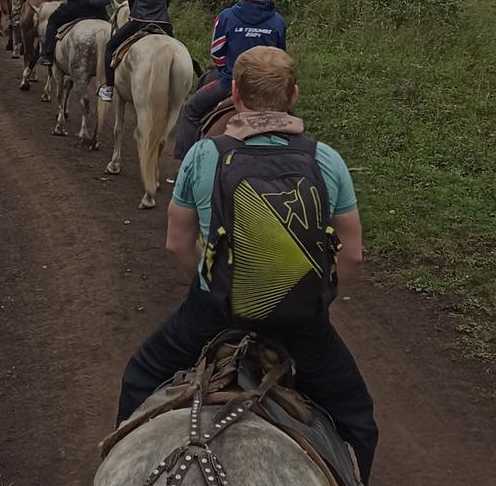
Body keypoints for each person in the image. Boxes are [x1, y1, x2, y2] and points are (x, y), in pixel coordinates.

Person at [115, 47, 377, 482]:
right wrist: (315, 301)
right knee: (358, 420)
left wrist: (210, 287)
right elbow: (352, 254)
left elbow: (176, 244)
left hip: (213, 313)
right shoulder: (325, 160)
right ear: (293, 95)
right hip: (301, 324)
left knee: (139, 379)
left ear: (234, 93)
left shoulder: (202, 156)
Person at [172, 0, 285, 160]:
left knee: (190, 111)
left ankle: (186, 166)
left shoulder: (227, 17)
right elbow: (280, 58)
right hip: (267, 88)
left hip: (231, 83)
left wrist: (229, 69)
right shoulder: (277, 21)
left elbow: (216, 54)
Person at [98, 0, 174, 102]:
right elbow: (167, 2)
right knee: (181, 52)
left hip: (140, 20)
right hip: (164, 24)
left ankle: (109, 88)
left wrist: (135, 13)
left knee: (110, 47)